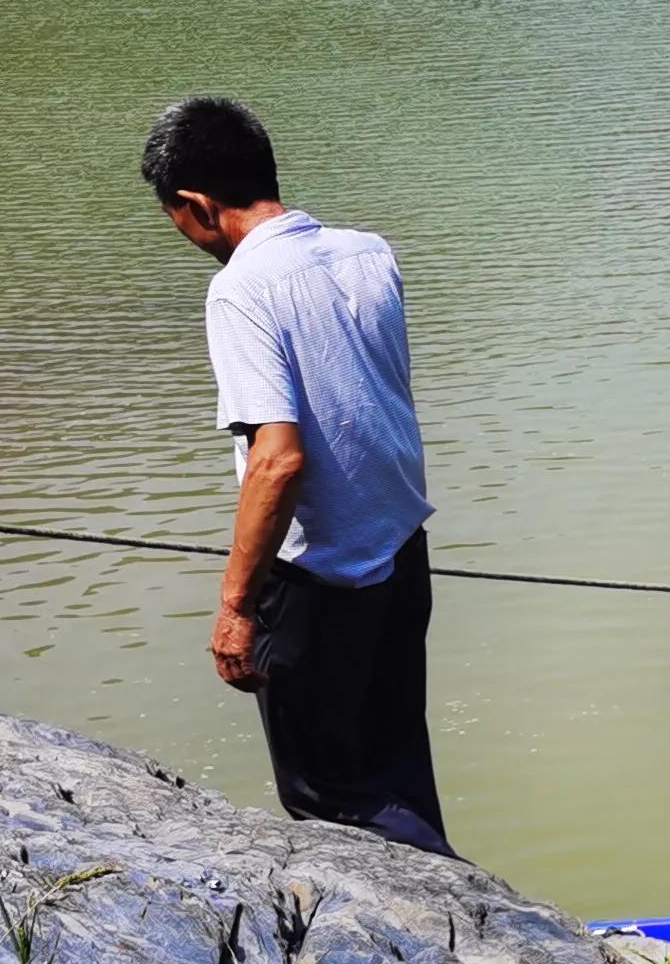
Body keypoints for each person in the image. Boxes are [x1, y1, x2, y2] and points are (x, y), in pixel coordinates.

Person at [140, 96, 450, 856]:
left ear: (195, 205)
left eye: (174, 219)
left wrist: (235, 607)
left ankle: (464, 923)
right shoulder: (367, 252)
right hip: (401, 555)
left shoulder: (241, 289)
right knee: (398, 769)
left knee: (327, 797)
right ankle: (474, 920)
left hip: (320, 582)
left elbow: (278, 460)